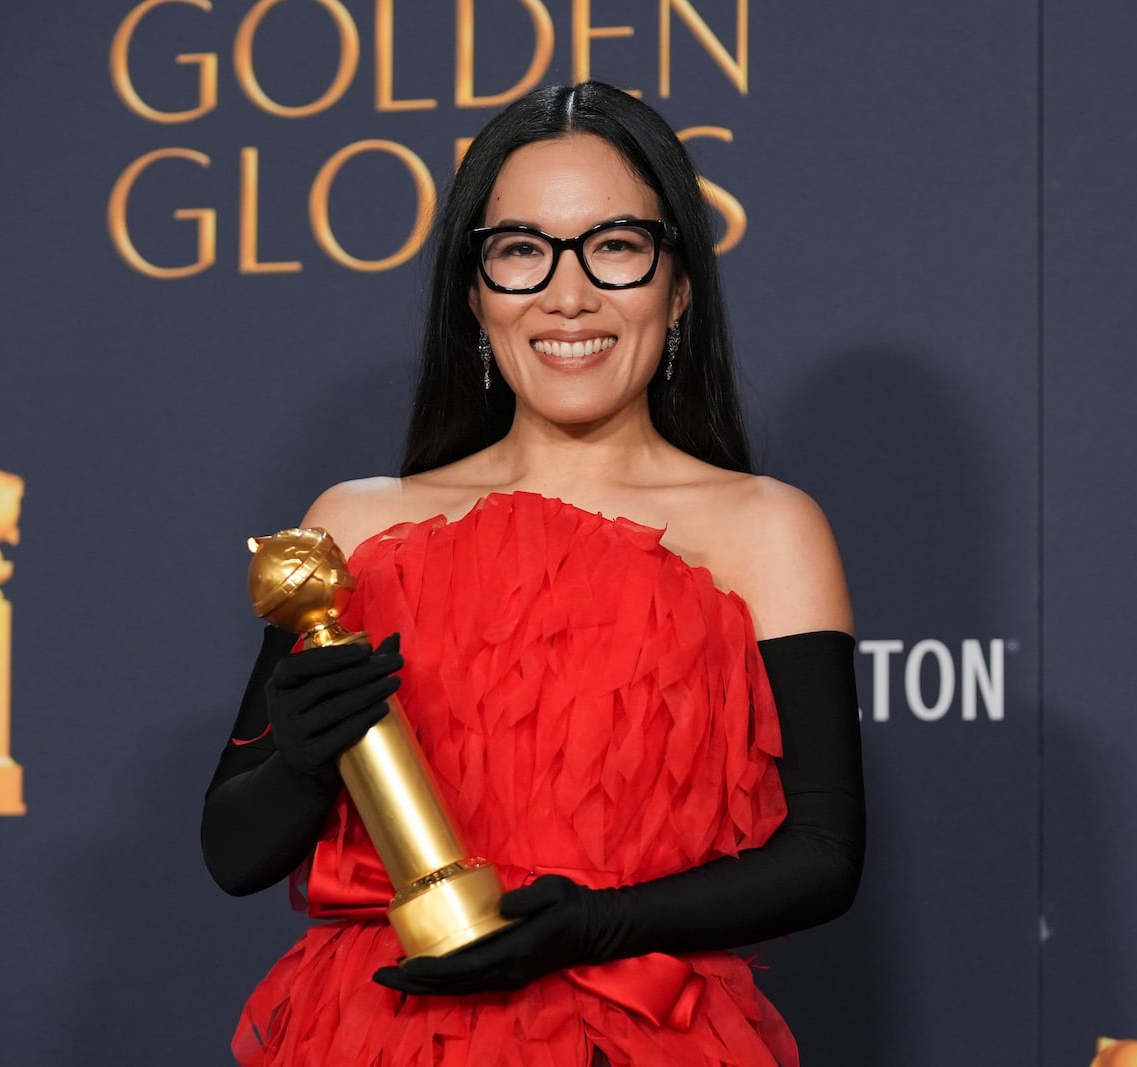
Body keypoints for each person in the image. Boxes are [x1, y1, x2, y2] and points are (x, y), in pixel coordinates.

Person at [201, 81, 865, 1067]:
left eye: (615, 244)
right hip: (376, 1036)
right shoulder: (354, 523)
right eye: (522, 250)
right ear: (474, 292)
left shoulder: (764, 528)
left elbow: (821, 854)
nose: (568, 293)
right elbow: (234, 852)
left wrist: (593, 925)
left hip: (638, 1035)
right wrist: (298, 760)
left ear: (677, 284)